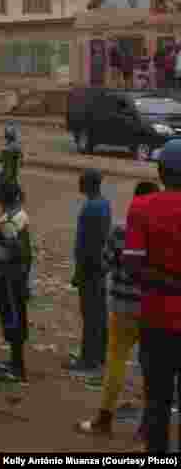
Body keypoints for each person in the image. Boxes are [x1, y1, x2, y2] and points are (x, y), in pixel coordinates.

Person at [77, 180, 158, 438]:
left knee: (115, 363)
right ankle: (147, 426)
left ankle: (104, 420)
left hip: (122, 308)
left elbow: (104, 265)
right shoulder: (162, 232)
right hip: (151, 309)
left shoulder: (120, 230)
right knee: (151, 367)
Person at [125, 140, 181, 453]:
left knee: (157, 404)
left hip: (156, 322)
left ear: (160, 171)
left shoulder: (142, 208)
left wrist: (168, 284)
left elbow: (133, 266)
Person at [67, 169, 111, 374]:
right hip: (99, 266)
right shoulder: (104, 204)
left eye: (81, 181)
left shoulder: (90, 208)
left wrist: (79, 271)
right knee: (99, 314)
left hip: (89, 267)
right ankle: (99, 356)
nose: (79, 183)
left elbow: (86, 244)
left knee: (91, 314)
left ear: (88, 184)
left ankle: (88, 360)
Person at [0, 180, 32, 382]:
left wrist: (2, 263)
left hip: (8, 277)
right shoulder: (20, 216)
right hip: (16, 276)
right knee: (16, 318)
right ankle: (16, 364)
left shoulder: (9, 222)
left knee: (12, 318)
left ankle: (17, 367)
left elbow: (16, 249)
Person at [0, 122, 23, 188]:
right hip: (13, 174)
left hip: (6, 173)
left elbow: (0, 160)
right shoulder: (17, 147)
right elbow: (21, 161)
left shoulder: (4, 148)